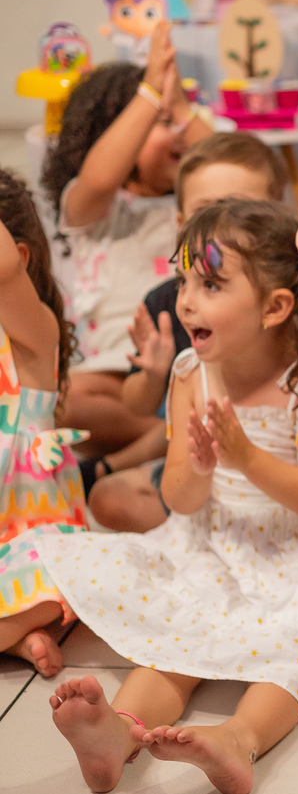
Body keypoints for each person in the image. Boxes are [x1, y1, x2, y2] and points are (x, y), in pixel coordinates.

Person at [38, 200, 298, 794]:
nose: (185, 300)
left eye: (209, 284)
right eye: (183, 278)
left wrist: (247, 457)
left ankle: (241, 737)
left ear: (275, 306)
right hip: (216, 535)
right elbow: (181, 499)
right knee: (182, 622)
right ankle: (120, 730)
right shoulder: (191, 375)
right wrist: (204, 468)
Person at [87, 131, 289, 533]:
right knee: (109, 498)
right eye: (206, 212)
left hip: (281, 466)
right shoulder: (168, 302)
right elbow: (138, 405)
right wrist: (152, 375)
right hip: (196, 460)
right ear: (180, 224)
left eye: (242, 211)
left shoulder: (289, 300)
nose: (221, 228)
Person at [41, 21, 212, 460]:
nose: (176, 131)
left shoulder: (196, 208)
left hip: (202, 361)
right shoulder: (93, 208)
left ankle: (148, 445)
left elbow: (232, 168)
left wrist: (180, 108)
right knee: (63, 399)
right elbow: (99, 176)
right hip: (120, 375)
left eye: (173, 120)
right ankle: (170, 434)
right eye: (159, 123)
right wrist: (150, 91)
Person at [0, 169, 88, 679]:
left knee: (66, 571)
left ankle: (16, 626)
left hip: (26, 542)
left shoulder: (34, 340)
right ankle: (14, 638)